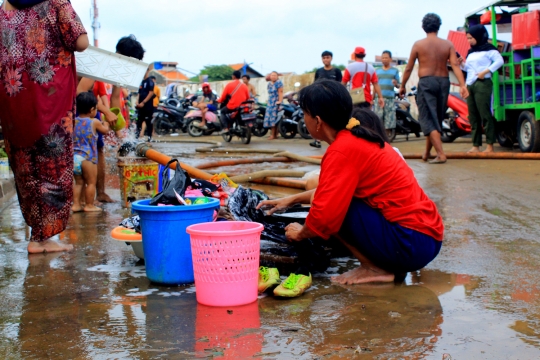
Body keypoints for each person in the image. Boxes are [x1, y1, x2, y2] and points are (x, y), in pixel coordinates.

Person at [257, 80, 443, 288]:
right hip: (425, 238)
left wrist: (300, 232)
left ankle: (375, 268)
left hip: (412, 243)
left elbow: (324, 214)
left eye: (305, 114)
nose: (304, 119)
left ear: (317, 121)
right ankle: (385, 264)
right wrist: (290, 199)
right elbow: (332, 190)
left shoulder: (342, 151)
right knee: (332, 201)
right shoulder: (355, 139)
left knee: (329, 209)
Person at [0, 0, 88, 253]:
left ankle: (36, 235)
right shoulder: (55, 2)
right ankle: (43, 237)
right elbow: (80, 42)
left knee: (25, 165)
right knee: (52, 166)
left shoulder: (5, 7)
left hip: (13, 98)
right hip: (49, 97)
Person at [400, 13, 469, 164]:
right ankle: (427, 153)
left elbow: (408, 68)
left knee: (428, 118)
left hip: (427, 82)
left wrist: (402, 86)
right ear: (439, 26)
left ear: (423, 27)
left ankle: (441, 154)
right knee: (435, 118)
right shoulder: (448, 44)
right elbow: (455, 65)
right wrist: (463, 85)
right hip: (443, 82)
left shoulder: (418, 45)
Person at [459, 25, 504, 153]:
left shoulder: (490, 50)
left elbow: (499, 61)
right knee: (473, 116)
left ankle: (490, 145)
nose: (469, 41)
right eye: (468, 38)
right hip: (470, 84)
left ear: (479, 36)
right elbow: (468, 68)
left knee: (485, 114)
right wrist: (461, 63)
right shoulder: (471, 52)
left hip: (482, 83)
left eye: (471, 38)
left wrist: (486, 71)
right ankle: (476, 145)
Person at [72, 93, 111, 213]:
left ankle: (76, 205)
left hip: (75, 158)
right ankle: (89, 205)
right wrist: (106, 122)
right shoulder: (94, 122)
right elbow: (105, 131)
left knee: (78, 183)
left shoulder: (73, 121)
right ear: (92, 109)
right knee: (91, 183)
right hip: (88, 158)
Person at [311, 50, 343, 148]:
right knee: (319, 119)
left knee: (333, 119)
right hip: (320, 99)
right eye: (324, 58)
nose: (326, 59)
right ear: (322, 59)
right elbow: (315, 84)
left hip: (333, 99)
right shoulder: (319, 71)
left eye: (327, 57)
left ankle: (336, 141)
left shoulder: (336, 71)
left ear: (331, 58)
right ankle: (317, 140)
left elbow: (340, 85)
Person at [375, 51, 401, 138]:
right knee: (378, 119)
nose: (384, 59)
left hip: (390, 98)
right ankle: (380, 137)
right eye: (383, 58)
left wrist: (396, 83)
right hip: (378, 99)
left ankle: (387, 138)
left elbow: (399, 85)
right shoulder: (377, 71)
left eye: (386, 58)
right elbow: (375, 85)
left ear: (390, 59)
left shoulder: (395, 71)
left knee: (389, 120)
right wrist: (372, 99)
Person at [136, 68, 155, 141]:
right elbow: (139, 93)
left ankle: (149, 139)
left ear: (147, 71)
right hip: (140, 107)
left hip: (148, 106)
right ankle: (136, 139)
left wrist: (143, 102)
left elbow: (151, 93)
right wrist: (137, 101)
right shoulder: (141, 82)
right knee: (139, 122)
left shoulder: (150, 81)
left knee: (148, 122)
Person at [263, 71, 284, 140]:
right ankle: (274, 134)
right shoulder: (269, 84)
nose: (273, 76)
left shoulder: (279, 83)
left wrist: (279, 101)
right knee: (269, 118)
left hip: (276, 102)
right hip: (270, 103)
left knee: (274, 119)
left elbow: (280, 92)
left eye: (275, 75)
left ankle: (274, 135)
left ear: (277, 76)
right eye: (272, 75)